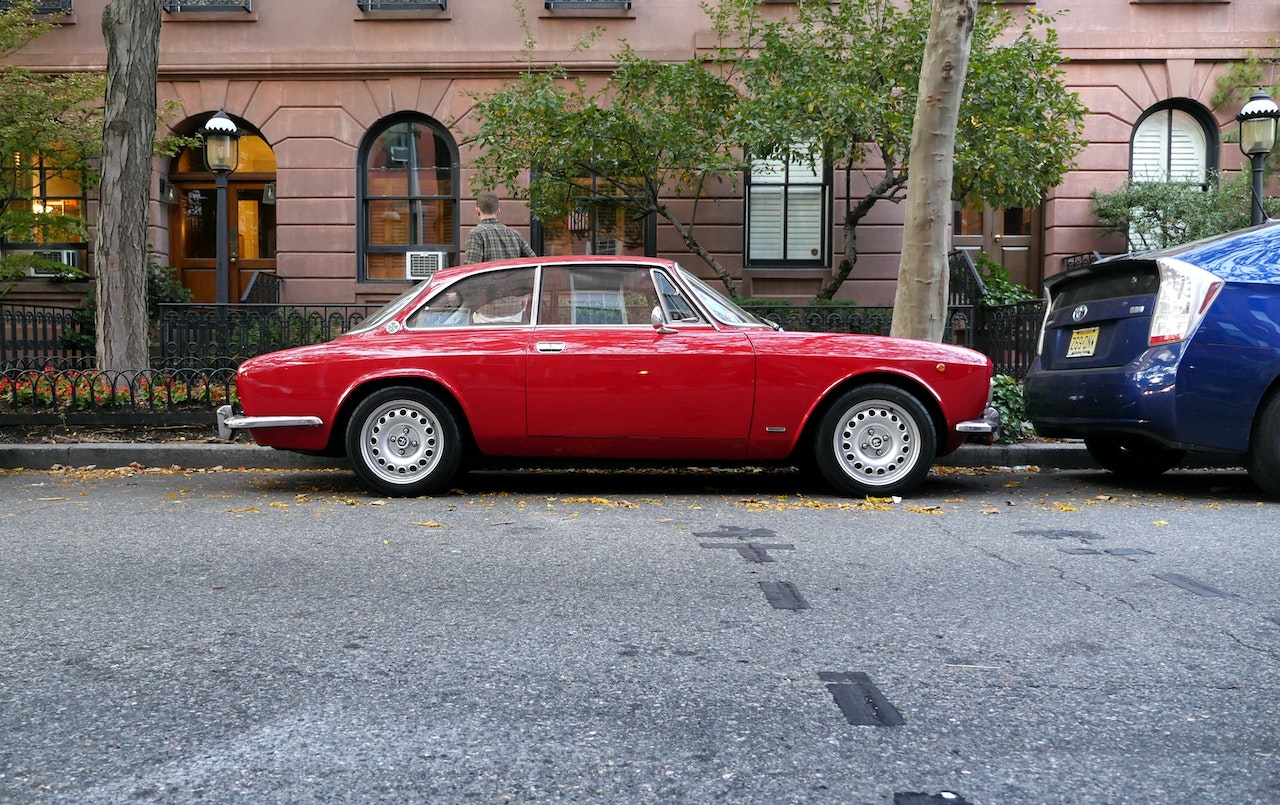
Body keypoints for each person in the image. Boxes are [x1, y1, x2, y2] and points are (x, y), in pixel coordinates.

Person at [463, 191, 537, 264]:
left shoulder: (475, 234)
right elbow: (534, 261)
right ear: (498, 211)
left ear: (477, 211)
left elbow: (470, 268)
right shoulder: (516, 235)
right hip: (514, 276)